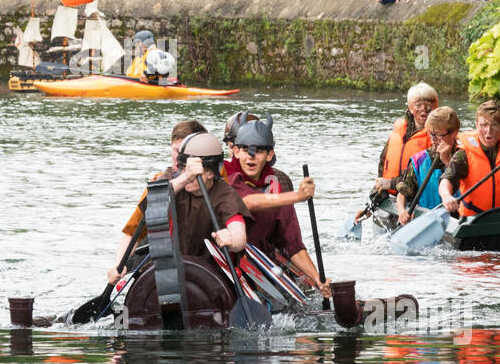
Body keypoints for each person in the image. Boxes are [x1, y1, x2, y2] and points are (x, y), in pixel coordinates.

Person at [105, 131, 249, 284]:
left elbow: (239, 235)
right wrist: (117, 265)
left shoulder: (224, 194)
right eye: (183, 168)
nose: (187, 174)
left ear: (210, 173)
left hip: (208, 277)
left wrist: (231, 239)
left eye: (194, 171)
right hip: (165, 270)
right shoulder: (168, 181)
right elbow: (133, 232)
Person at [226, 116, 331, 297]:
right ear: (235, 151)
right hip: (224, 267)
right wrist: (297, 196)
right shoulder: (225, 177)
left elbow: (293, 246)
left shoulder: (276, 187)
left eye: (259, 151)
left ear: (270, 155)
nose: (251, 156)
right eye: (245, 149)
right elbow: (247, 202)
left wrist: (318, 279)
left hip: (260, 269)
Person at [444, 100, 500, 217]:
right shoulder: (464, 153)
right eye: (484, 125)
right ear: (476, 126)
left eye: (494, 125)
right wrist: (446, 196)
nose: (488, 131)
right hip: (474, 218)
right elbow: (447, 179)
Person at [394, 105, 460, 225]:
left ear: (454, 133)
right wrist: (402, 211)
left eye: (439, 135)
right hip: (428, 222)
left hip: (456, 221)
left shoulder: (464, 157)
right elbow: (402, 193)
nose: (434, 139)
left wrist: (446, 161)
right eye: (431, 134)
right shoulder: (419, 161)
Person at [374, 82, 438, 195]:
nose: (424, 109)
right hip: (390, 194)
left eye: (428, 105)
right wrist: (377, 190)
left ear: (435, 107)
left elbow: (425, 176)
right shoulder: (399, 130)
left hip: (417, 197)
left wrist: (392, 183)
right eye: (418, 105)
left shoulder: (438, 137)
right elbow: (383, 162)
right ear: (411, 108)